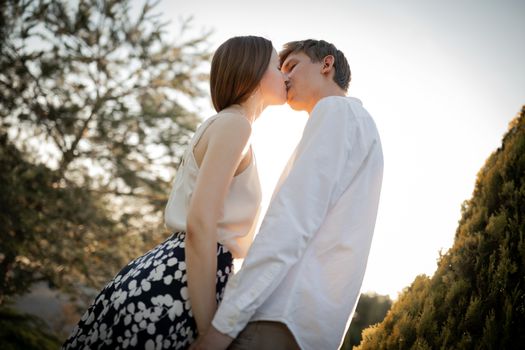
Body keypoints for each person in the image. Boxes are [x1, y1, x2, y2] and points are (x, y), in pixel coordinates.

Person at [62, 35, 287, 350]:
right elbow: (200, 224)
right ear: (254, 71)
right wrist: (209, 329)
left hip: (169, 276)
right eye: (277, 66)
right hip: (178, 286)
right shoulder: (236, 126)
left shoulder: (226, 124)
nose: (285, 75)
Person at [191, 39, 384, 350]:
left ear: (326, 65)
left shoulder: (335, 112)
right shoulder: (361, 126)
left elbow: (290, 222)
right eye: (280, 70)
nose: (285, 77)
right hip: (311, 326)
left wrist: (221, 328)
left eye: (292, 66)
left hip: (279, 315)